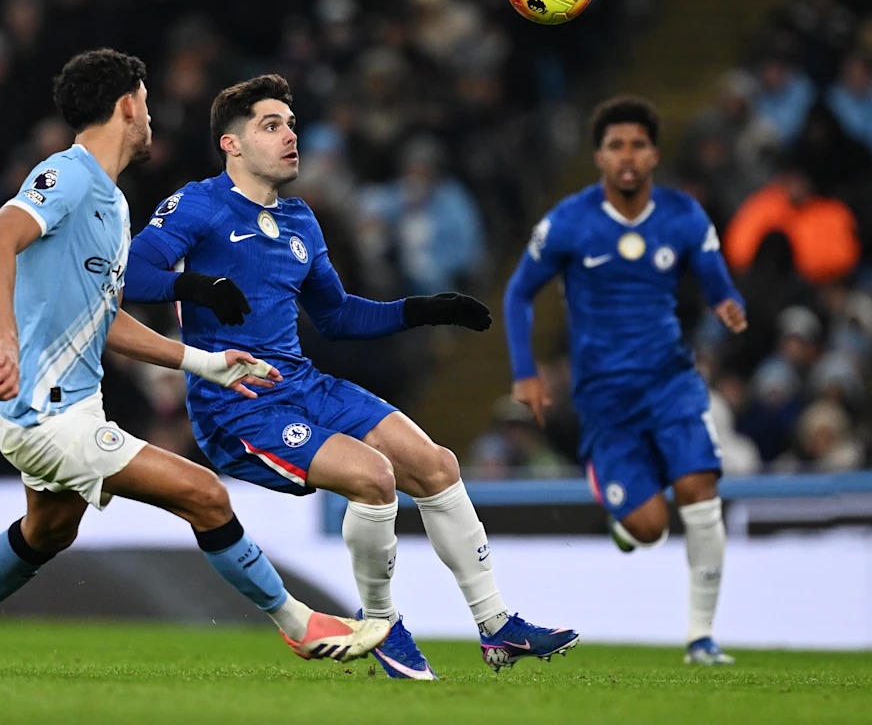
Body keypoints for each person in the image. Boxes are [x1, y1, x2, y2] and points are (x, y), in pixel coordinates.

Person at [0, 50, 390, 675]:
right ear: (126, 106)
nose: (151, 116)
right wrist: (6, 340)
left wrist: (204, 362)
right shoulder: (67, 176)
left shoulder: (111, 204)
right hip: (45, 411)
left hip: (72, 405)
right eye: (145, 102)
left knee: (51, 529)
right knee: (204, 494)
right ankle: (300, 625)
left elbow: (105, 319)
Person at [124, 73, 578, 678]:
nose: (290, 136)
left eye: (290, 124)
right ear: (231, 144)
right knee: (373, 477)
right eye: (271, 125)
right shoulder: (199, 205)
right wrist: (196, 286)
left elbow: (336, 316)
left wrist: (422, 309)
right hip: (238, 402)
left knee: (437, 466)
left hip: (302, 383)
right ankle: (381, 625)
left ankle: (497, 627)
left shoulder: (300, 220)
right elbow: (132, 273)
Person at [503, 95, 748, 666]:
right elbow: (517, 294)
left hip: (671, 382)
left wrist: (727, 302)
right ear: (599, 157)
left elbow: (716, 278)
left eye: (638, 144)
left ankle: (702, 638)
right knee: (650, 527)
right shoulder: (569, 222)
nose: (628, 156)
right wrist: (525, 372)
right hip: (605, 398)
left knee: (700, 491)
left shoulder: (683, 215)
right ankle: (619, 502)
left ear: (655, 154)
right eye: (616, 146)